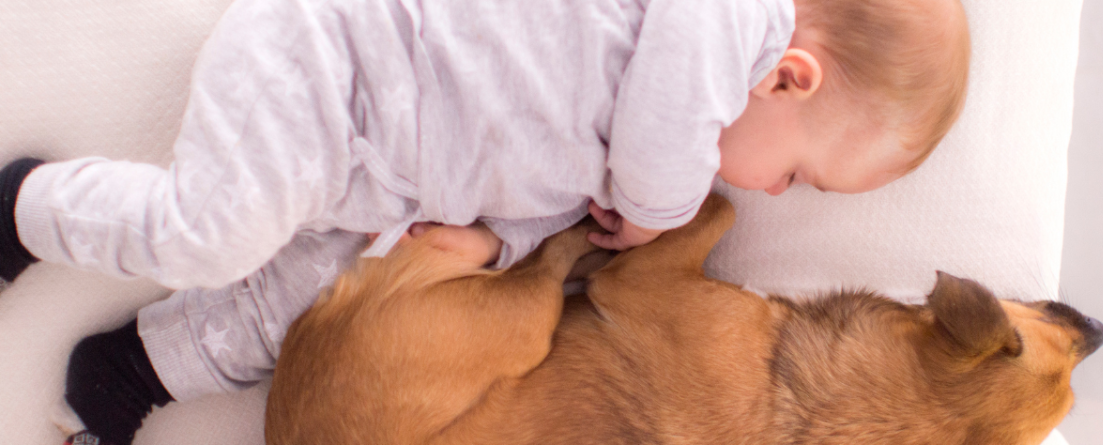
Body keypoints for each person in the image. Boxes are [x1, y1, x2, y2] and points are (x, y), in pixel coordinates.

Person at [0, 0, 969, 442]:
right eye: (796, 174)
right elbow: (663, 137)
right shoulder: (714, 29)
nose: (766, 193)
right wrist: (657, 210)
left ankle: (136, 366)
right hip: (332, 67)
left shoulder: (636, 154)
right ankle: (25, 207)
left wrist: (493, 247)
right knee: (210, 234)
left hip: (387, 180)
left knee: (299, 307)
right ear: (789, 76)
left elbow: (541, 217)